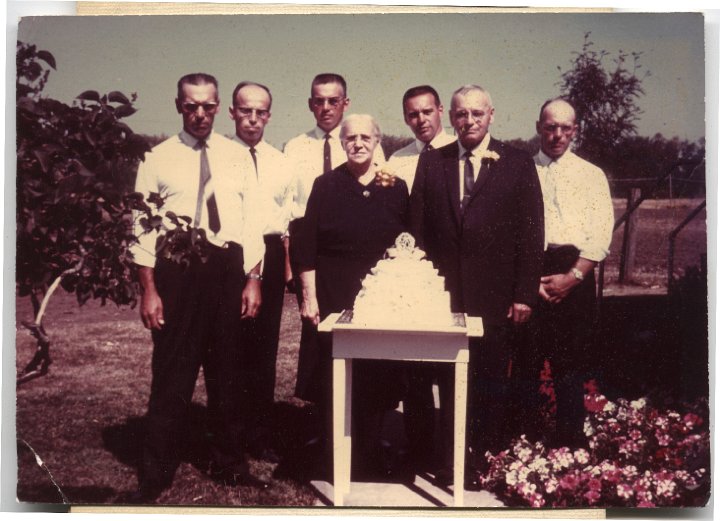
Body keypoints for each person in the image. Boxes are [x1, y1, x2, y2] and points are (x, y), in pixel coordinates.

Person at [129, 73, 268, 502]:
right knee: (173, 374)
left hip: (226, 268)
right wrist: (149, 289)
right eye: (192, 106)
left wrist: (252, 278)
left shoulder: (235, 155)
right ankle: (156, 471)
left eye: (209, 106)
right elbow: (140, 228)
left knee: (228, 374)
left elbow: (252, 221)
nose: (201, 114)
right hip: (178, 269)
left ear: (218, 105)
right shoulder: (157, 158)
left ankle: (230, 464)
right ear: (178, 106)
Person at [409, 84, 544, 487]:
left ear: (491, 115)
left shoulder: (517, 163)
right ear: (450, 117)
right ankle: (450, 460)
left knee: (488, 380)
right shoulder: (433, 163)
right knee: (449, 382)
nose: (468, 121)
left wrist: (523, 294)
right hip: (444, 298)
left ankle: (484, 459)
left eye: (476, 114)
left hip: (496, 297)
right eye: (461, 114)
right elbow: (416, 234)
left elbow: (531, 233)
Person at [294, 114, 409, 477]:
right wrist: (308, 297)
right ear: (341, 142)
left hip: (381, 295)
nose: (357, 143)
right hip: (332, 293)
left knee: (376, 375)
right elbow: (306, 245)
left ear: (377, 141)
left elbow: (407, 247)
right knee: (331, 373)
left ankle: (371, 451)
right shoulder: (325, 185)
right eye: (350, 138)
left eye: (365, 137)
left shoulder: (396, 186)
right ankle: (332, 451)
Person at [284, 74, 383, 412]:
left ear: (345, 103)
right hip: (315, 258)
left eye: (333, 100)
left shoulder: (371, 145)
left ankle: (364, 426)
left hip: (362, 263)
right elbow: (289, 213)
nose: (325, 107)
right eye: (318, 100)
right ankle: (322, 426)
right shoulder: (294, 147)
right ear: (311, 103)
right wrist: (293, 269)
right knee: (319, 345)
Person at [524, 97, 614, 448]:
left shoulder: (591, 175)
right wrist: (529, 279)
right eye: (550, 127)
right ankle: (524, 446)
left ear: (575, 130)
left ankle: (568, 446)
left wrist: (573, 277)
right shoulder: (523, 171)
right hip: (532, 274)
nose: (557, 135)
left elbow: (601, 232)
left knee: (570, 366)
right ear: (539, 128)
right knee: (528, 363)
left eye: (565, 128)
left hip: (575, 273)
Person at [229, 81, 295, 463]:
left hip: (268, 256)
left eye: (260, 111)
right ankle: (230, 433)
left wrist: (285, 267)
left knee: (264, 350)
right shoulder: (220, 156)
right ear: (233, 112)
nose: (252, 118)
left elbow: (285, 219)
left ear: (268, 115)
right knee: (231, 350)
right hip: (232, 256)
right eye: (245, 110)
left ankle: (258, 432)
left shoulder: (279, 160)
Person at [386, 85, 456, 190]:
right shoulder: (396, 161)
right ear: (406, 119)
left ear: (440, 111)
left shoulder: (461, 151)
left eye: (427, 112)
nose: (421, 120)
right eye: (414, 115)